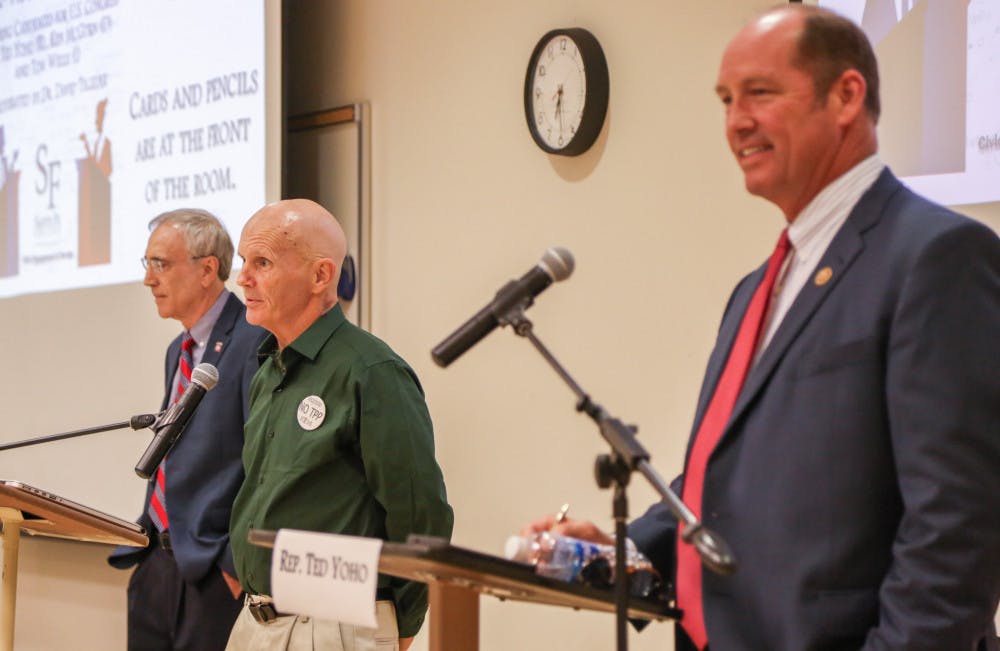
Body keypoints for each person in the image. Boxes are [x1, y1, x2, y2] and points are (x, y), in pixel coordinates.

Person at [526, 6, 1000, 650]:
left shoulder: (936, 257)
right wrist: (624, 554)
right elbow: (725, 484)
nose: (736, 122)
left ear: (847, 96)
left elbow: (958, 525)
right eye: (725, 100)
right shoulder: (757, 288)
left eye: (760, 94)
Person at [226, 199, 454, 651]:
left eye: (262, 263)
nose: (243, 279)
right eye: (243, 263)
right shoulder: (269, 370)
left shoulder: (371, 371)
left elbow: (419, 514)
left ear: (320, 276)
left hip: (334, 628)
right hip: (256, 621)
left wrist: (401, 625)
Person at [109, 209, 266, 650]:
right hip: (156, 562)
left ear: (207, 269)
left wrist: (235, 565)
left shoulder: (254, 340)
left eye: (161, 263)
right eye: (147, 264)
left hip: (214, 574)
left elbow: (262, 459)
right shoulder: (177, 349)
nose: (149, 280)